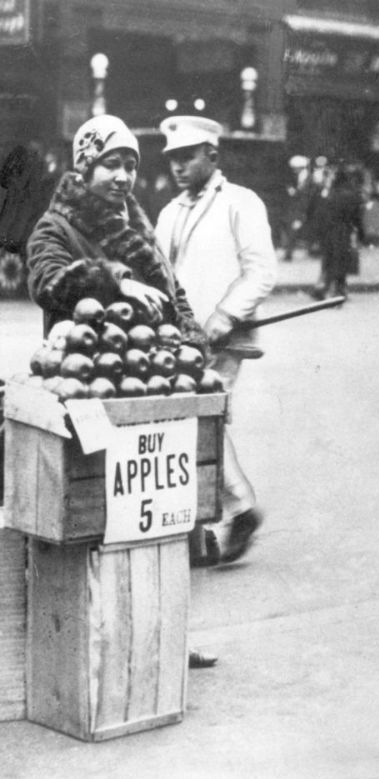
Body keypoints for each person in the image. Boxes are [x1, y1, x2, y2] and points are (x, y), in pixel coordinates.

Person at [24, 114, 216, 669]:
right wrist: (113, 277)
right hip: (90, 390)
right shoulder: (55, 226)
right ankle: (102, 646)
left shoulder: (136, 223)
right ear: (85, 166)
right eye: (112, 162)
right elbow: (47, 282)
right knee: (101, 523)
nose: (124, 175)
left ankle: (168, 635)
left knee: (163, 517)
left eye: (131, 163)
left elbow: (171, 290)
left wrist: (192, 341)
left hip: (152, 383)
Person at [154, 115, 277, 566]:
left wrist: (224, 316)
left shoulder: (241, 203)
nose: (179, 167)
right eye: (172, 160)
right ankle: (205, 528)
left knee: (199, 421)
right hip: (176, 342)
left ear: (213, 155)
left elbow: (261, 270)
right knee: (193, 423)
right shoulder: (169, 212)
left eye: (187, 157)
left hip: (222, 340)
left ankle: (238, 508)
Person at [311, 167, 366, 301]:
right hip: (343, 230)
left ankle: (324, 287)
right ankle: (338, 290)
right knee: (341, 260)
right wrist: (361, 234)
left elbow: (320, 214)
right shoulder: (351, 195)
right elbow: (356, 217)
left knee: (329, 260)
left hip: (329, 230)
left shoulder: (331, 194)